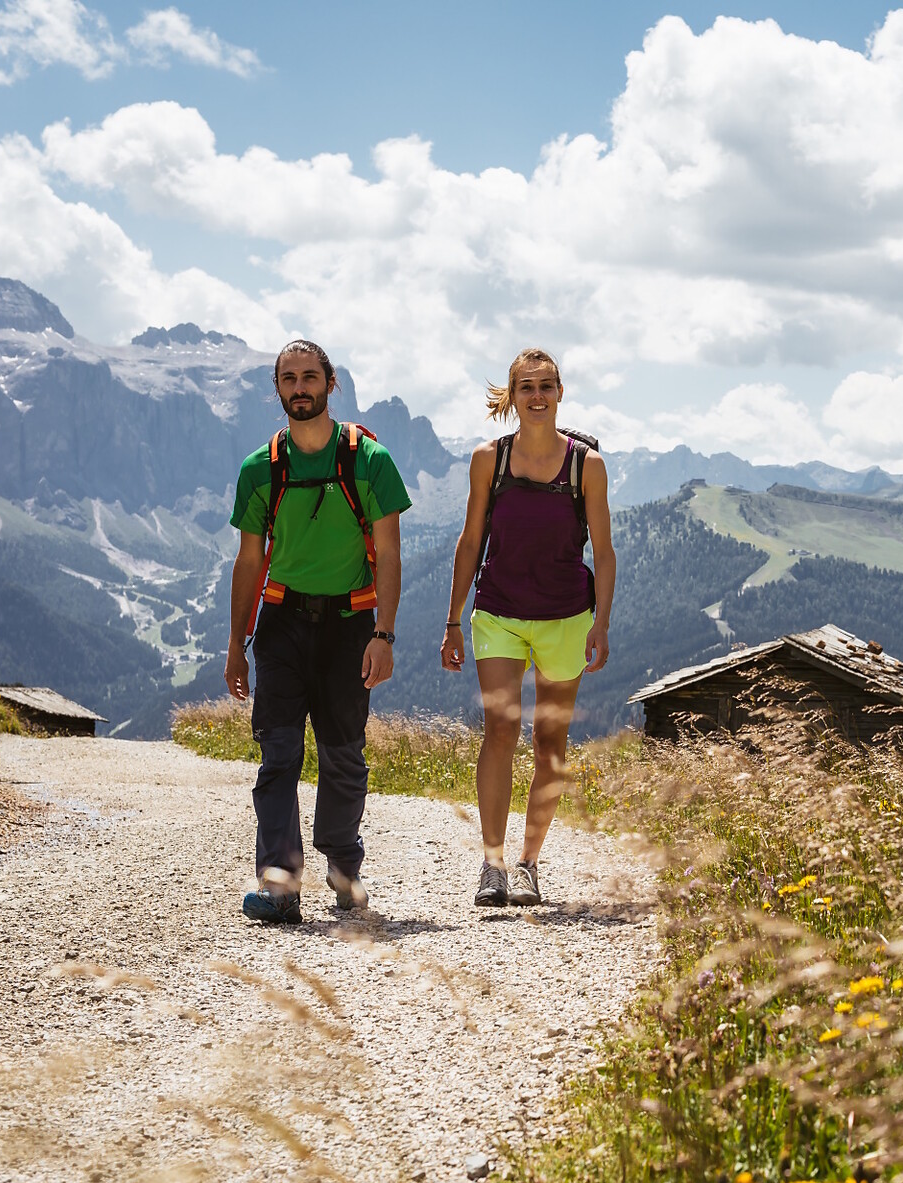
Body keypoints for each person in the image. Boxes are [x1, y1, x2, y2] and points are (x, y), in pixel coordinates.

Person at [224, 339, 409, 923]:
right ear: (277, 388)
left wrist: (385, 634)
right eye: (288, 378)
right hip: (280, 623)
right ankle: (280, 887)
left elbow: (389, 550)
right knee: (278, 757)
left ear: (331, 383)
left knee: (343, 756)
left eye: (310, 377)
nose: (299, 387)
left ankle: (343, 868)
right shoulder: (260, 468)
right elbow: (249, 561)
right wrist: (237, 644)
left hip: (351, 626)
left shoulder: (369, 461)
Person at [442, 348, 614, 908]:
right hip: (498, 612)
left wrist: (602, 624)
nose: (536, 397)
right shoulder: (488, 460)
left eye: (546, 386)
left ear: (561, 393)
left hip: (567, 617)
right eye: (526, 387)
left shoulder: (586, 465)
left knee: (549, 745)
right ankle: (492, 866)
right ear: (511, 397)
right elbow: (470, 543)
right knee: (499, 730)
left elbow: (605, 553)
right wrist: (452, 620)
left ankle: (528, 864)